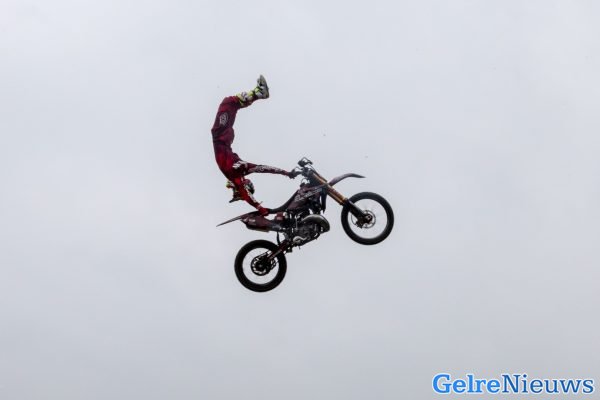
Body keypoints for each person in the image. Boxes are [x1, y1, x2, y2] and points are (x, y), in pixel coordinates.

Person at [210, 75, 297, 216]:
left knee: (229, 103)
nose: (247, 182)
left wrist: (259, 207)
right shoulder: (242, 171)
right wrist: (286, 173)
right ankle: (259, 93)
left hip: (220, 136)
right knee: (230, 103)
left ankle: (259, 93)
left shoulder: (235, 176)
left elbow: (246, 193)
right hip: (223, 138)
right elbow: (263, 168)